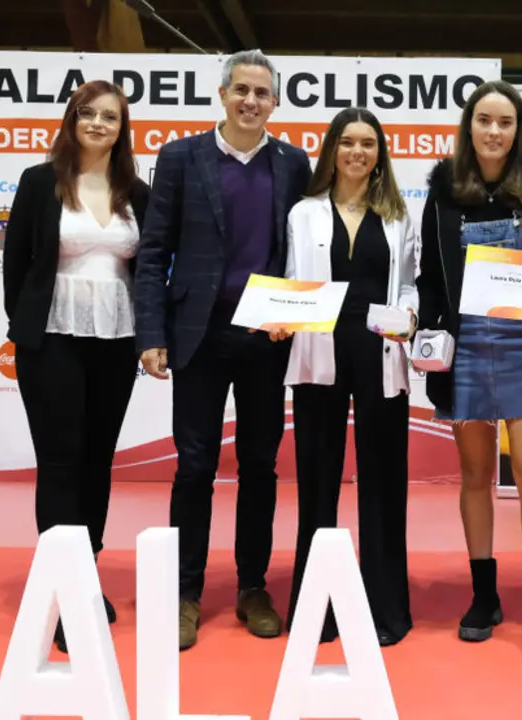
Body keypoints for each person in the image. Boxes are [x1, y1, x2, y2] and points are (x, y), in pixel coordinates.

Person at [132, 50, 313, 650]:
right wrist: (152, 333)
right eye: (241, 89)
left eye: (262, 92)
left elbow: (299, 253)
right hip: (199, 334)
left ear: (275, 102)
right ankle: (185, 593)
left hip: (266, 339)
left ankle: (252, 588)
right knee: (195, 466)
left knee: (260, 467)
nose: (251, 101)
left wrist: (296, 314)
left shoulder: (293, 163)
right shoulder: (181, 157)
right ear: (222, 93)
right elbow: (154, 251)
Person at [416, 80, 522, 663]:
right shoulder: (443, 186)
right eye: (483, 120)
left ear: (519, 129)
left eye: (505, 123)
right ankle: (483, 596)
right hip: (464, 350)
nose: (493, 132)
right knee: (474, 478)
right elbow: (430, 276)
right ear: (469, 127)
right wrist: (429, 331)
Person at [2, 79, 149, 653]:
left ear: (121, 127)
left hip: (116, 339)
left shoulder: (136, 190)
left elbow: (149, 263)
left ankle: (86, 574)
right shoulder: (41, 183)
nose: (97, 124)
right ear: (72, 119)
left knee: (97, 461)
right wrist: (30, 329)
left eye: (109, 116)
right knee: (61, 461)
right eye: (87, 113)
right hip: (53, 341)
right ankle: (63, 592)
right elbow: (16, 265)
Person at [279, 107, 419, 647]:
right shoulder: (303, 213)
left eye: (368, 143)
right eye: (347, 142)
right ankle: (316, 609)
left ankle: (386, 608)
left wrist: (407, 316)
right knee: (317, 481)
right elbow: (291, 278)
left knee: (384, 483)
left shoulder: (398, 215)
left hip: (380, 352)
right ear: (332, 150)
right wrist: (280, 315)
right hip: (319, 351)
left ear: (380, 153)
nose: (358, 152)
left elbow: (408, 284)